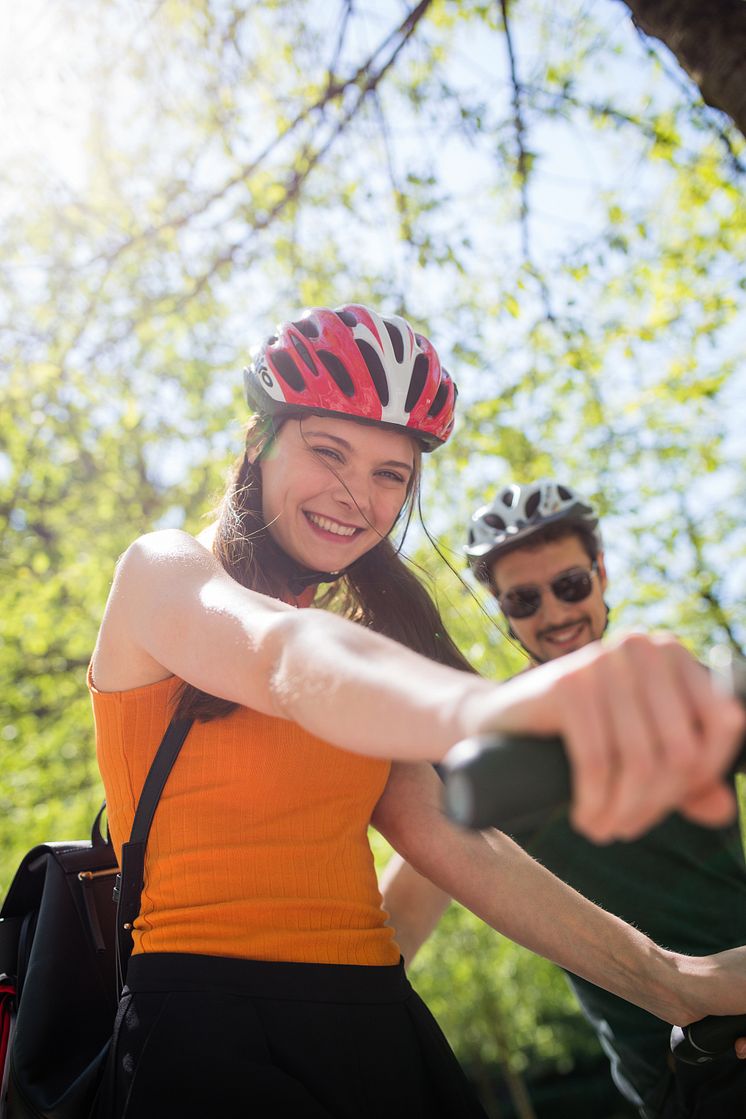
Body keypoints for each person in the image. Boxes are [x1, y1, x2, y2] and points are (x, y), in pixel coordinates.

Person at [88, 307, 746, 1119]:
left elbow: (453, 841)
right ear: (258, 439)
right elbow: (285, 658)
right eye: (328, 451)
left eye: (389, 474)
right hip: (209, 1027)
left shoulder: (365, 663)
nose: (354, 496)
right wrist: (502, 711)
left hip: (378, 1022)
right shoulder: (163, 571)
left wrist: (674, 981)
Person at [381, 478, 746, 1119]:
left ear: (601, 573)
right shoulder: (491, 756)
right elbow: (401, 921)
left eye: (570, 585)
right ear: (503, 608)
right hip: (674, 1078)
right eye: (524, 599)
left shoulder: (671, 682)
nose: (553, 612)